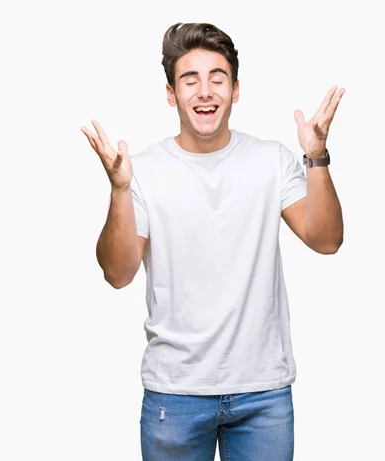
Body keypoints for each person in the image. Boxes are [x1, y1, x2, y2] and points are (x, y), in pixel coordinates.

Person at [81, 22, 344, 461]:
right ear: (171, 93)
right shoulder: (142, 171)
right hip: (176, 393)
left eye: (217, 78)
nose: (205, 91)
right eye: (190, 79)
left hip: (263, 393)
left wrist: (316, 156)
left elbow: (327, 240)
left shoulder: (271, 160)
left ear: (235, 90)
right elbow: (118, 273)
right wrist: (120, 191)